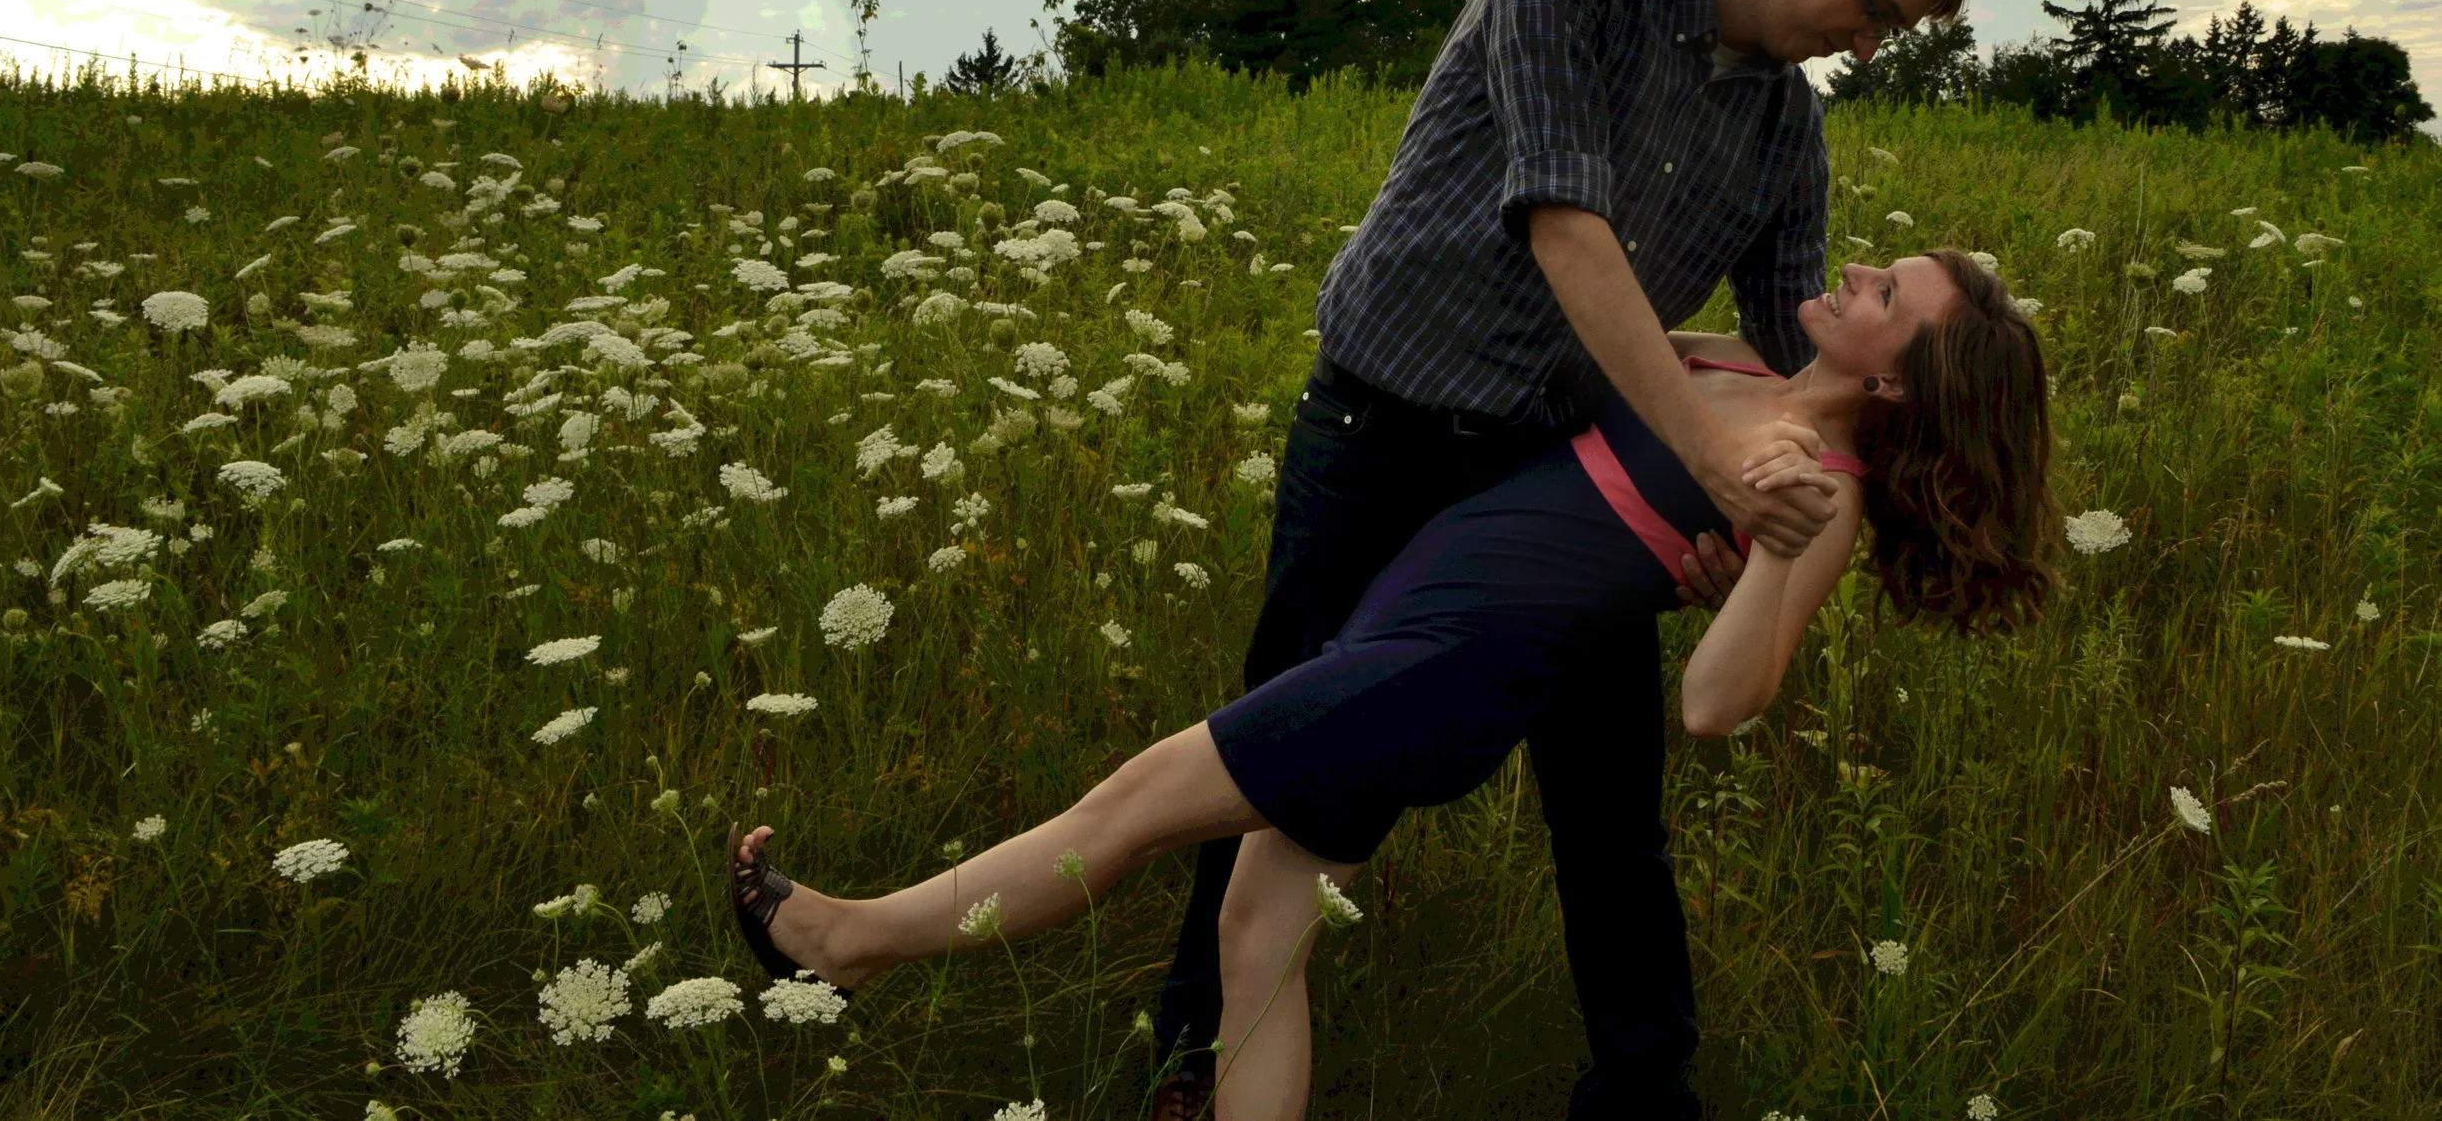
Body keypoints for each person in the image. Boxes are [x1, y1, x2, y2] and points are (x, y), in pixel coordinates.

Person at [727, 251, 2057, 1121]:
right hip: (1403, 632)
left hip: (1436, 678)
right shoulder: (1737, 366)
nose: (1861, 269)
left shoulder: (1818, 488)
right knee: (1259, 935)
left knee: (1127, 809)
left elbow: (1715, 703)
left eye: (1892, 294)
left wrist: (1763, 560)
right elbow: (1593, 341)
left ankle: (848, 943)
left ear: (1894, 377)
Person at [1153, 0, 1976, 1120]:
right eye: (1878, 9)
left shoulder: (1786, 137)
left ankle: (1645, 1095)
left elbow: (1792, 363)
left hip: (1559, 461)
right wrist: (1712, 455)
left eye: (1896, 33)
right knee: (1277, 733)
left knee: (1610, 799)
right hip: (1379, 419)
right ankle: (1193, 1054)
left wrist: (1751, 535)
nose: (1870, 48)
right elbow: (1563, 226)